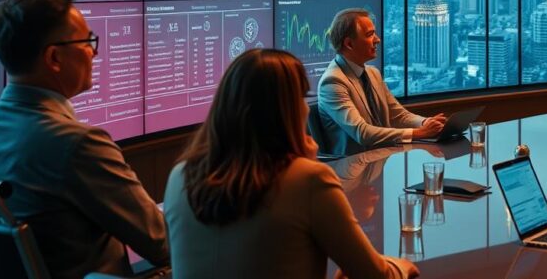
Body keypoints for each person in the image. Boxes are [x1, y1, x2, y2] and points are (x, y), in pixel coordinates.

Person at [0, 0, 168, 279]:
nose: (94, 52)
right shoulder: (76, 144)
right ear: (54, 58)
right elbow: (162, 244)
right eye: (86, 42)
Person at [164, 48, 418, 279]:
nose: (306, 109)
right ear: (285, 111)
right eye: (301, 98)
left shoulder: (179, 176)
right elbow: (376, 275)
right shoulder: (309, 181)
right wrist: (401, 267)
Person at [318, 8, 446, 155]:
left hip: (382, 160)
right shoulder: (332, 83)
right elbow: (362, 132)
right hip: (354, 166)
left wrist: (426, 123)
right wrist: (420, 133)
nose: (377, 39)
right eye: (370, 35)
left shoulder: (373, 73)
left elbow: (398, 116)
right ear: (349, 44)